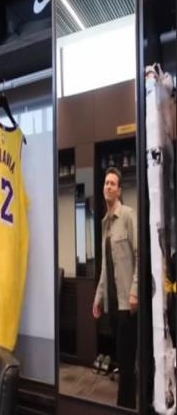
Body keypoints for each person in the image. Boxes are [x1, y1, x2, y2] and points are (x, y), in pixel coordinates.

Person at [92, 166, 138, 409]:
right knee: (121, 357)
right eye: (106, 183)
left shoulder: (128, 216)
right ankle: (125, 405)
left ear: (119, 190)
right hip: (112, 302)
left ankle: (126, 407)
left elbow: (140, 256)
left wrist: (134, 291)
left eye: (112, 183)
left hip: (127, 302)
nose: (108, 186)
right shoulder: (105, 223)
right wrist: (98, 297)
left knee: (127, 362)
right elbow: (105, 267)